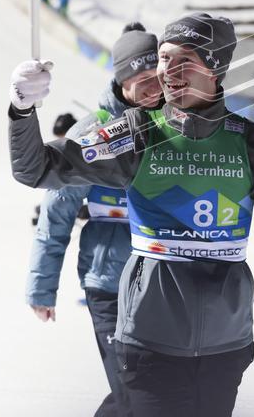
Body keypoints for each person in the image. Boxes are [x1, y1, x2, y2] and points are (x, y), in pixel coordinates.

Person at [8, 13, 254, 417]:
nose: (169, 70)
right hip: (148, 341)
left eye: (184, 59)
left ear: (216, 67)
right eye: (165, 58)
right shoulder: (136, 134)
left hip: (227, 345)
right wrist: (22, 109)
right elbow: (39, 169)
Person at [27, 24, 164, 417]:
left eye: (157, 78)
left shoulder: (174, 124)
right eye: (142, 81)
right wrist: (42, 286)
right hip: (108, 280)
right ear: (122, 81)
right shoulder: (94, 132)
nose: (153, 89)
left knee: (150, 389)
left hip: (163, 278)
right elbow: (56, 212)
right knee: (131, 388)